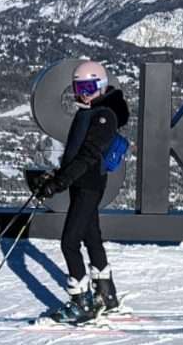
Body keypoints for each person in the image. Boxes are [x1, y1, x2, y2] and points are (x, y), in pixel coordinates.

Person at [33, 59, 130, 325]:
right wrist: (58, 176)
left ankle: (82, 303)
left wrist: (60, 181)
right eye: (78, 87)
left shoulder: (104, 116)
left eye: (88, 87)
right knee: (91, 237)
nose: (82, 93)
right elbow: (75, 152)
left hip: (88, 185)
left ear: (100, 86)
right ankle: (106, 296)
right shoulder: (88, 112)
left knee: (69, 242)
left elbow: (88, 155)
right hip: (81, 184)